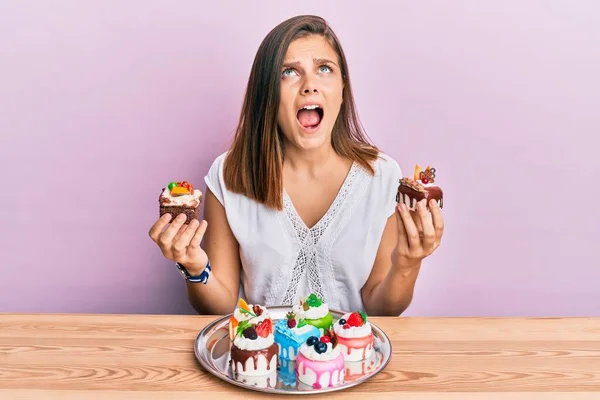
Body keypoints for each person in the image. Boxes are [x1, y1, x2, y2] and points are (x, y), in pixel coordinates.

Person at [149, 15, 444, 316]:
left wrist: (408, 263)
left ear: (343, 88)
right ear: (267, 93)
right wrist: (194, 267)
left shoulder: (382, 177)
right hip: (263, 356)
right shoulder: (229, 176)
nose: (310, 86)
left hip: (350, 358)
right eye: (289, 72)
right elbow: (220, 306)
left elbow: (382, 308)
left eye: (324, 69)